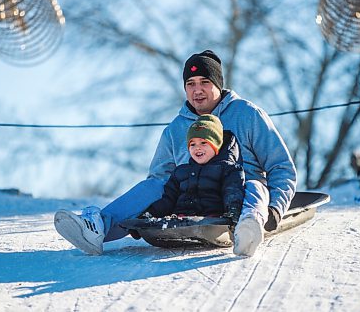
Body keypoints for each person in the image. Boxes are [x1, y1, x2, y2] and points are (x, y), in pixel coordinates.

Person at [54, 49, 297, 257]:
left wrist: (275, 208)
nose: (197, 90)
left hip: (237, 198)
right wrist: (149, 217)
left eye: (204, 82)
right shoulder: (175, 129)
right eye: (190, 84)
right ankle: (96, 228)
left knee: (255, 183)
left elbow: (281, 167)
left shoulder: (247, 114)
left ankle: (249, 226)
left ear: (218, 85)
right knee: (155, 185)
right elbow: (159, 179)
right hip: (192, 203)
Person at [145, 114, 244, 224]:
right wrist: (150, 216)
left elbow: (232, 193)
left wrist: (233, 212)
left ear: (216, 146)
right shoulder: (180, 172)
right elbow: (168, 200)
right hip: (181, 219)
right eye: (192, 144)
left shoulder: (228, 169)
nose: (197, 147)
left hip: (213, 219)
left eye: (203, 142)